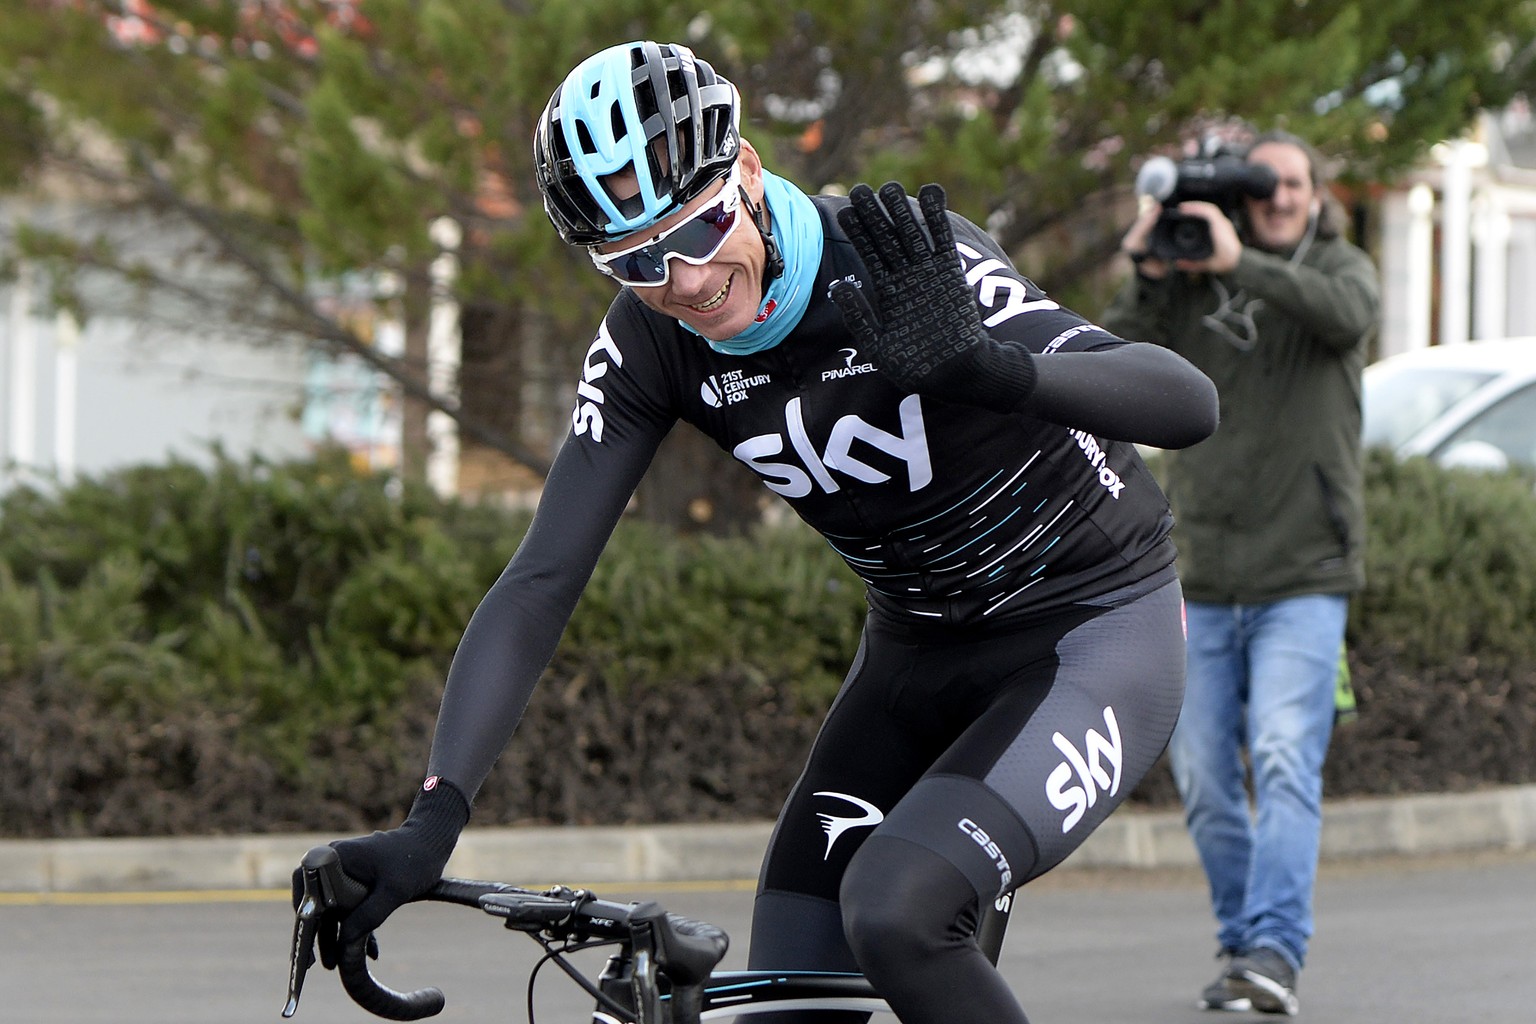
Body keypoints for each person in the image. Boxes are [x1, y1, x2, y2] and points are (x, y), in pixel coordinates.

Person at [303, 40, 1217, 1024]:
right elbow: (540, 582)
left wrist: (989, 367)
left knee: (897, 912)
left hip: (1091, 634)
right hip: (915, 655)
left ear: (745, 171)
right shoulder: (651, 340)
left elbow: (1186, 401)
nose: (686, 280)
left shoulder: (899, 259)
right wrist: (433, 818)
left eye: (697, 229)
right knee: (788, 996)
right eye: (636, 259)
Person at [1102, 130, 1380, 1015]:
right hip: (1207, 573)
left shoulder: (1342, 267)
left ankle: (1274, 949)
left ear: (1315, 191)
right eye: (1265, 185)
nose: (1280, 196)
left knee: (1286, 759)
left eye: (1293, 182)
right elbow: (1117, 355)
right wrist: (1148, 269)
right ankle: (1245, 948)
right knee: (1206, 777)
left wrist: (1242, 265)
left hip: (1307, 572)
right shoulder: (1192, 276)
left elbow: (1347, 319)